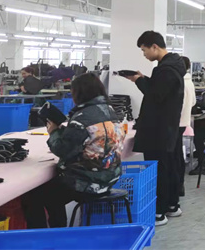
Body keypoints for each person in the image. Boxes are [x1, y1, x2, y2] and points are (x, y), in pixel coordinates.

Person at [21, 73, 125, 228]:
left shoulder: (82, 118)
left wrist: (54, 132)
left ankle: (45, 236)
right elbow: (87, 139)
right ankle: (58, 231)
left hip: (87, 183)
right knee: (52, 193)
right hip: (110, 177)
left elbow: (62, 150)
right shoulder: (110, 111)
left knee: (34, 195)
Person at [122, 31, 185, 225]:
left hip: (158, 129)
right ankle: (172, 205)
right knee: (169, 166)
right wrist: (144, 79)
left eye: (144, 50)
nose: (144, 54)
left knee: (160, 170)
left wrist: (139, 81)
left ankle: (159, 212)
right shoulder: (172, 66)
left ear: (155, 47)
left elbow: (156, 96)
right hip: (167, 127)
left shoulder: (166, 70)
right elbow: (160, 91)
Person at [176, 56, 196, 197]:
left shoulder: (179, 82)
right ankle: (179, 184)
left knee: (175, 156)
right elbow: (193, 102)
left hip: (175, 122)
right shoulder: (189, 82)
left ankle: (177, 186)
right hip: (184, 122)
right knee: (178, 155)